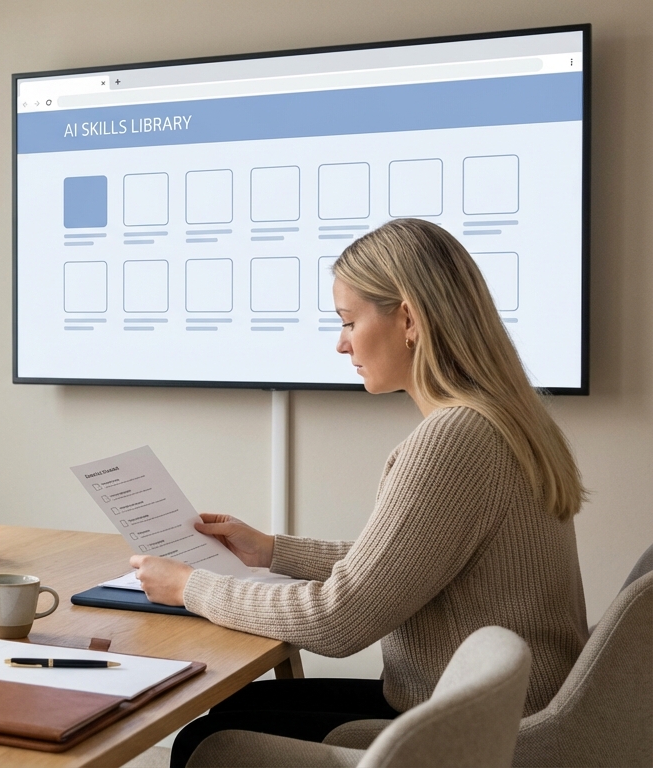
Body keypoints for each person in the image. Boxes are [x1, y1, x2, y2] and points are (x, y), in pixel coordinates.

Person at [129, 218, 589, 766]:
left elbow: (337, 620)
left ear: (409, 318)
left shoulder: (453, 438)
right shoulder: (505, 418)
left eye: (348, 321)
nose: (341, 343)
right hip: (507, 708)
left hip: (474, 731)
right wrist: (272, 550)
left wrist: (190, 588)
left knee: (203, 741)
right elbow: (408, 563)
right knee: (240, 706)